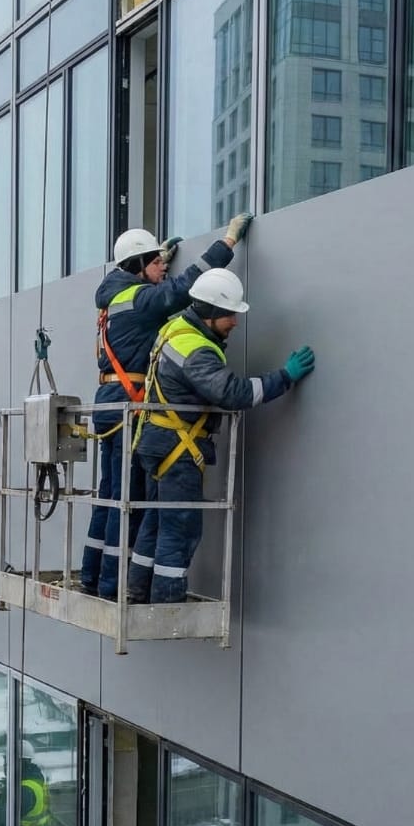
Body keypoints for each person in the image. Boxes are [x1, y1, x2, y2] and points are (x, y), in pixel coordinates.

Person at [80, 213, 255, 599]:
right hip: (129, 403)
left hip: (111, 402)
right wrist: (226, 243)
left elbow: (154, 296)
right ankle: (111, 585)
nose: (163, 266)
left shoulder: (115, 295)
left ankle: (94, 577)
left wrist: (160, 259)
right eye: (156, 261)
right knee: (127, 500)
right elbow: (184, 290)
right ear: (139, 266)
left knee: (110, 495)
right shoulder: (140, 298)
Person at [128, 268, 316, 604]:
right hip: (177, 449)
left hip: (157, 443)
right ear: (211, 313)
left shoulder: (174, 329)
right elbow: (235, 394)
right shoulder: (195, 349)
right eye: (230, 315)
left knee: (155, 521)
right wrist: (284, 377)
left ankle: (137, 589)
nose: (235, 322)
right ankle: (167, 602)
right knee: (180, 528)